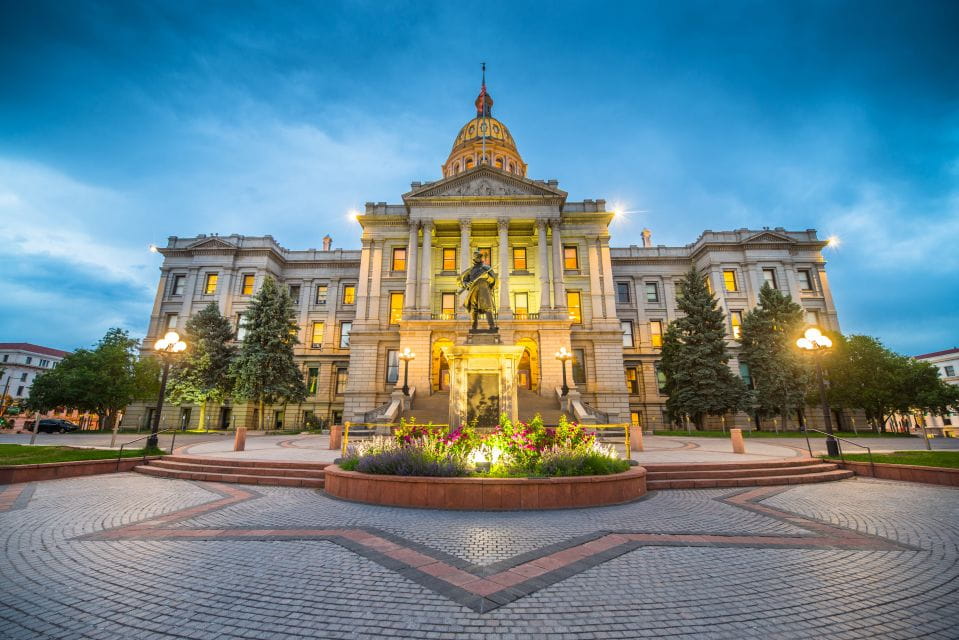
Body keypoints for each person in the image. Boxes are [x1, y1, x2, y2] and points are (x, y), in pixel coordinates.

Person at [458, 250, 497, 331]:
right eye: (477, 257)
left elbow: (494, 281)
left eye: (479, 257)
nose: (478, 258)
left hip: (484, 290)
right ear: (474, 259)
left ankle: (492, 326)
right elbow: (462, 281)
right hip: (473, 291)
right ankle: (474, 327)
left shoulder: (487, 269)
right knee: (473, 309)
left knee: (487, 307)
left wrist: (487, 277)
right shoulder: (470, 270)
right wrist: (466, 284)